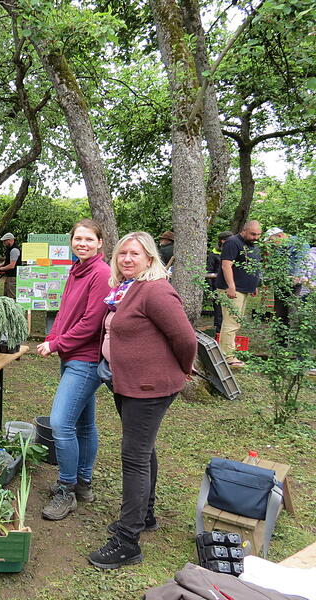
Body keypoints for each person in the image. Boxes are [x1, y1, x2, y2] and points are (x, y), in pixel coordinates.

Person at [87, 232, 197, 570]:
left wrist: (181, 369)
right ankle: (146, 516)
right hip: (129, 385)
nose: (127, 259)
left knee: (133, 456)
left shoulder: (156, 290)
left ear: (150, 258)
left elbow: (185, 338)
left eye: (135, 254)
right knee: (144, 449)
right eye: (123, 254)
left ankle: (127, 540)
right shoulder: (129, 288)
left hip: (149, 389)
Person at [36, 219, 112, 521]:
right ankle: (83, 482)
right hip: (70, 355)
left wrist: (57, 344)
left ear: (100, 243)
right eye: (78, 239)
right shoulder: (76, 270)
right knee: (84, 424)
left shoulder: (101, 273)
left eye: (88, 239)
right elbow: (66, 311)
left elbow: (91, 323)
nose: (82, 243)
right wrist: (53, 337)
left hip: (86, 359)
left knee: (60, 424)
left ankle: (66, 489)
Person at [215, 220, 262, 368]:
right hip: (232, 289)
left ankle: (226, 352)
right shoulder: (232, 242)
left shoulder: (253, 245)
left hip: (244, 289)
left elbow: (253, 266)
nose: (255, 237)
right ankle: (228, 356)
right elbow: (226, 265)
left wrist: (254, 285)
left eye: (258, 235)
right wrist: (231, 286)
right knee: (231, 321)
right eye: (253, 234)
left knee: (236, 322)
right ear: (244, 230)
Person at [206, 232, 232, 332]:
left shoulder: (232, 251)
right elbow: (209, 271)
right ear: (223, 241)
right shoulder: (213, 254)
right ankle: (218, 331)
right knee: (219, 310)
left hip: (230, 286)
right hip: (217, 287)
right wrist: (211, 290)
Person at [0, 232, 21, 299]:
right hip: (9, 276)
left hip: (13, 277)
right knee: (6, 296)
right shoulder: (10, 249)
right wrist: (0, 265)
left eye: (4, 241)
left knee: (11, 297)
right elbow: (7, 261)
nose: (4, 243)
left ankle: (13, 309)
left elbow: (12, 265)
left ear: (9, 240)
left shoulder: (14, 250)